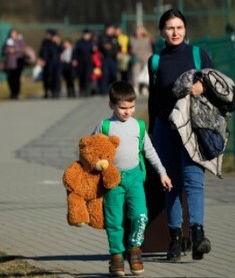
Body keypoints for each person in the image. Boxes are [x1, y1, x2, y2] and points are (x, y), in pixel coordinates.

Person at [147, 8, 214, 262]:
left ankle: (198, 236)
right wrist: (152, 131)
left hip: (193, 129)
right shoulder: (155, 61)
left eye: (179, 27)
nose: (175, 32)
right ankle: (174, 240)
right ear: (162, 31)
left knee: (193, 180)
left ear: (185, 30)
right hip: (165, 129)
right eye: (170, 28)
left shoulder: (198, 55)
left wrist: (202, 86)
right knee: (171, 184)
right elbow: (154, 99)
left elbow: (218, 84)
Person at [92, 81, 172, 276]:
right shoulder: (104, 126)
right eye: (123, 107)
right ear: (111, 105)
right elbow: (92, 152)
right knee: (115, 220)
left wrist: (162, 173)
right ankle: (117, 257)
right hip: (112, 182)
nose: (128, 112)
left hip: (135, 178)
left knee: (140, 215)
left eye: (131, 107)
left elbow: (150, 151)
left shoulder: (139, 126)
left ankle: (135, 249)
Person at [38, 29, 63, 98]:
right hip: (48, 62)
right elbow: (42, 52)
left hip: (57, 62)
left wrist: (58, 44)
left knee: (57, 77)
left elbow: (62, 51)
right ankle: (47, 91)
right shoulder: (45, 43)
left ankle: (56, 91)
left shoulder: (58, 43)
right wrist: (41, 59)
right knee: (48, 77)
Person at [2, 28, 26, 100]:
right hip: (10, 63)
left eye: (14, 33)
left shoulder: (20, 41)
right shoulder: (8, 41)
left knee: (17, 78)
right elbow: (3, 51)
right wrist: (8, 50)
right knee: (10, 78)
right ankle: (12, 92)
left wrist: (15, 50)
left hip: (18, 62)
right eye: (12, 34)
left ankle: (16, 93)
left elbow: (22, 49)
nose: (13, 35)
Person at [130, 26, 153, 96]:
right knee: (135, 73)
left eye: (140, 31)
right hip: (136, 58)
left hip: (146, 58)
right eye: (137, 31)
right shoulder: (132, 39)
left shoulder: (146, 39)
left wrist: (150, 56)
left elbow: (150, 49)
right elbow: (132, 49)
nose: (138, 32)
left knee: (145, 74)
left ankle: (144, 88)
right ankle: (135, 87)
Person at [98, 24, 120, 95]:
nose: (113, 30)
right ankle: (104, 90)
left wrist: (117, 52)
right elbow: (99, 45)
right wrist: (104, 46)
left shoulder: (115, 37)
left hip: (113, 58)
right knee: (105, 74)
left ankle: (114, 90)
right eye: (111, 29)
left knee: (113, 74)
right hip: (105, 58)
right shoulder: (103, 37)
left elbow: (118, 46)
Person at [72, 29, 94, 97]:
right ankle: (82, 90)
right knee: (81, 76)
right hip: (80, 62)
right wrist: (74, 59)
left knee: (87, 76)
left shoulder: (91, 43)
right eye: (86, 35)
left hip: (88, 62)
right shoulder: (79, 43)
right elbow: (75, 52)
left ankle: (87, 90)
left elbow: (93, 52)